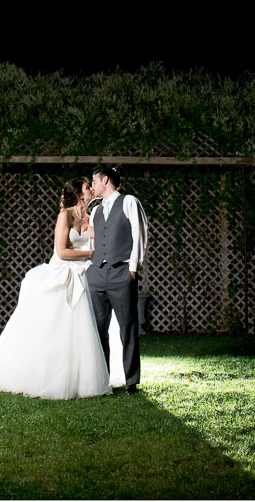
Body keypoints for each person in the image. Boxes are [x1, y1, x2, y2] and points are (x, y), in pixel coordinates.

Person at [0, 178, 115, 399]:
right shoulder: (65, 216)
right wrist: (89, 255)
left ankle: (84, 379)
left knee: (83, 331)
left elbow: (100, 247)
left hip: (83, 275)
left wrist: (96, 242)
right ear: (79, 194)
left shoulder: (90, 219)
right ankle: (49, 375)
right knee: (56, 327)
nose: (91, 189)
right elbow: (62, 252)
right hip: (61, 275)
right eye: (87, 187)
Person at [86, 166, 148, 396]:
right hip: (97, 275)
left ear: (105, 180)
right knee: (98, 329)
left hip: (122, 272)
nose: (92, 186)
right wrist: (91, 269)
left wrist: (133, 268)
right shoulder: (96, 210)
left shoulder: (129, 201)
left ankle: (131, 381)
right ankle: (103, 380)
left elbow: (139, 233)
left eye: (94, 181)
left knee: (128, 328)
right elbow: (93, 243)